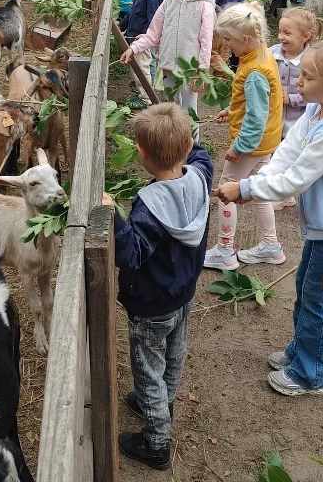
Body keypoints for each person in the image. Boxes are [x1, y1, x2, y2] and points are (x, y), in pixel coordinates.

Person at [216, 36, 323, 396]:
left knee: (318, 298)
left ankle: (313, 374)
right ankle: (300, 352)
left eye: (306, 76)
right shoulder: (316, 109)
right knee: (306, 288)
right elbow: (287, 154)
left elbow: (296, 178)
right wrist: (258, 181)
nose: (297, 82)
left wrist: (244, 189)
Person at [105, 103, 213, 470]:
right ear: (186, 148)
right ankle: (160, 403)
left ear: (141, 154)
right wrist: (182, 135)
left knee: (148, 368)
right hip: (183, 293)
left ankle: (156, 443)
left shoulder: (148, 208)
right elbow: (201, 154)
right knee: (173, 354)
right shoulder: (200, 176)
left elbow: (131, 254)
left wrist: (112, 217)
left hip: (151, 304)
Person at [203, 2, 286, 270]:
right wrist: (233, 108)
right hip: (267, 142)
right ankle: (270, 245)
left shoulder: (254, 72)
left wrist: (239, 147)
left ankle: (225, 250)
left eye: (229, 39)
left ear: (247, 38)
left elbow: (255, 118)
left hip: (252, 144)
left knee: (227, 189)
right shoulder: (262, 56)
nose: (226, 45)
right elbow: (260, 102)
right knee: (261, 191)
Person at [119, 0, 215, 125]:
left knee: (188, 113)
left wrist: (202, 70)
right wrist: (134, 48)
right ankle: (173, 145)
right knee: (172, 109)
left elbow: (206, 42)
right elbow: (153, 33)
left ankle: (192, 148)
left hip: (190, 70)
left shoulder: (204, 5)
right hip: (168, 66)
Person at [271, 7, 323, 210]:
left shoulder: (310, 60)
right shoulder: (272, 54)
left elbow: (314, 94)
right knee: (277, 154)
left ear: (306, 36)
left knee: (294, 157)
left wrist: (291, 98)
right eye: (280, 31)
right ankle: (279, 192)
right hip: (275, 119)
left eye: (287, 33)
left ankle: (289, 194)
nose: (281, 37)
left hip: (297, 120)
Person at [122, 0, 168, 104]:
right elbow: (135, 11)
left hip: (143, 38)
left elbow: (153, 20)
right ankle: (148, 93)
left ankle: (147, 98)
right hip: (138, 36)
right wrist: (123, 25)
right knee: (144, 66)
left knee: (142, 69)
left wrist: (144, 38)